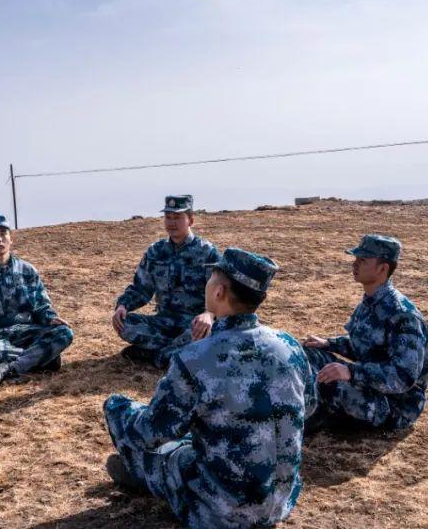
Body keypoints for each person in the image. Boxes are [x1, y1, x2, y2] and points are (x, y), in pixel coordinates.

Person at [103, 248, 316, 529]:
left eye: (211, 276)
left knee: (120, 410)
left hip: (220, 512)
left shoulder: (196, 357)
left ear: (219, 291)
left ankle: (141, 471)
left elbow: (152, 432)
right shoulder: (290, 346)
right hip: (280, 502)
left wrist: (126, 418)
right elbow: (309, 405)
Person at [302, 234, 428, 432]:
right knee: (307, 355)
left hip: (394, 407)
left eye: (362, 260)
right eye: (356, 259)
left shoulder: (403, 316)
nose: (354, 265)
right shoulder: (372, 301)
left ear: (383, 268)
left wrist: (351, 372)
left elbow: (403, 377)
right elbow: (367, 347)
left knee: (329, 382)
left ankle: (303, 421)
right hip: (371, 389)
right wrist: (329, 344)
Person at [111, 195, 221, 368]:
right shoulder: (156, 252)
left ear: (190, 220)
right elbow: (141, 288)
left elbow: (220, 294)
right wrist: (123, 305)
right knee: (124, 324)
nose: (171, 223)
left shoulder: (208, 253)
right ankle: (176, 352)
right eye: (168, 217)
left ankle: (156, 355)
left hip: (194, 325)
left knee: (210, 333)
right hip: (164, 322)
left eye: (177, 217)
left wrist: (210, 313)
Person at [0, 215, 74, 387]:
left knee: (64, 333)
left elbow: (41, 305)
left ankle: (12, 368)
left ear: (11, 239)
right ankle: (43, 359)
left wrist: (50, 318)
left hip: (26, 332)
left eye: (3, 234)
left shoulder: (27, 271)